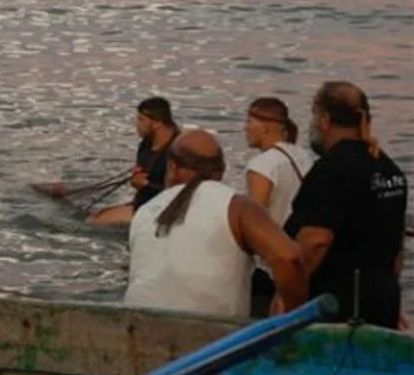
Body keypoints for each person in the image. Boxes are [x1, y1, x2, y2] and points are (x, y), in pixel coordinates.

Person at [125, 130, 309, 317]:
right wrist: (290, 314)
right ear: (222, 171)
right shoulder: (237, 207)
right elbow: (289, 259)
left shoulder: (143, 212)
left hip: (134, 330)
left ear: (172, 168)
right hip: (213, 338)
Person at [285, 82, 408, 329]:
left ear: (325, 120)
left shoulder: (331, 170)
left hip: (338, 307)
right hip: (383, 300)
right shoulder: (389, 169)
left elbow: (315, 241)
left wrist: (288, 301)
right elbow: (396, 248)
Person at [244, 97, 315, 317]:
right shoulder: (305, 157)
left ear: (265, 127)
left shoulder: (262, 165)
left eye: (249, 122)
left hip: (273, 266)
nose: (245, 128)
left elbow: (256, 220)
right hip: (304, 257)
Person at [89, 97, 179, 226]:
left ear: (157, 122)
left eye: (141, 119)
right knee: (95, 216)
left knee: (93, 222)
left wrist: (147, 185)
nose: (137, 124)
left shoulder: (179, 150)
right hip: (143, 205)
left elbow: (182, 190)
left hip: (162, 212)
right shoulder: (146, 145)